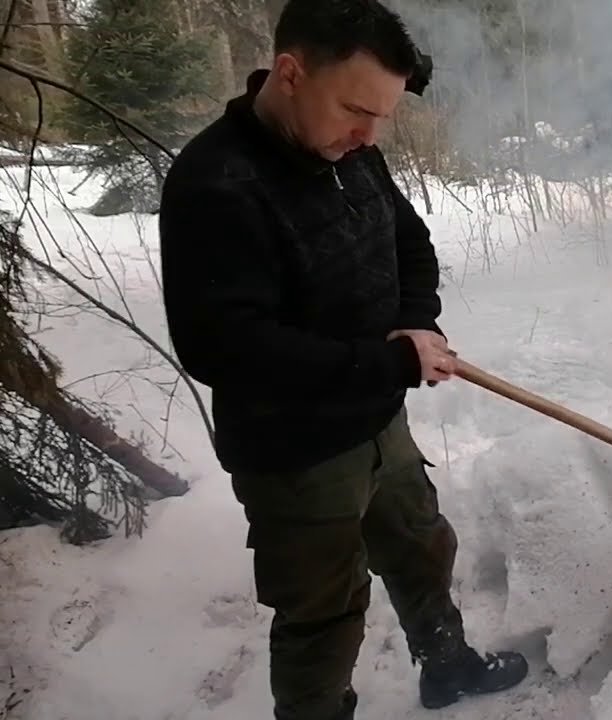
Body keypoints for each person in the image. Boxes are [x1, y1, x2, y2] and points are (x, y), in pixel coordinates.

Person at [156, 1, 528, 717]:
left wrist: (417, 325)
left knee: (422, 548)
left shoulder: (351, 152)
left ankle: (445, 664)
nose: (368, 133)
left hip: (378, 422)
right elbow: (225, 346)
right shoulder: (217, 184)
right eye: (357, 109)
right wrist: (386, 364)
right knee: (322, 612)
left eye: (382, 117)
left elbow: (409, 244)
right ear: (291, 73)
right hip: (294, 454)